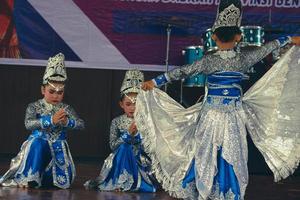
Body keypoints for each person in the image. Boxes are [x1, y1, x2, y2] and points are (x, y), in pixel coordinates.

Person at [137, 0, 300, 199]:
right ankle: (228, 191)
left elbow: (182, 72)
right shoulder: (243, 59)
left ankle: (204, 188)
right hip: (232, 116)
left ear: (213, 36)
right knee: (232, 153)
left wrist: (155, 81)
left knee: (206, 151)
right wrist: (289, 38)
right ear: (239, 37)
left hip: (210, 115)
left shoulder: (208, 60)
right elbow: (267, 48)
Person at [0, 53, 85, 189]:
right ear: (43, 90)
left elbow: (81, 124)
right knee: (38, 142)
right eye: (51, 91)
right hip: (37, 146)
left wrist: (66, 123)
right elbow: (28, 124)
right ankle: (30, 177)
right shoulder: (34, 106)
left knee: (59, 183)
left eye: (60, 92)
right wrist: (51, 120)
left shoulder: (66, 108)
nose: (56, 95)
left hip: (58, 147)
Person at [84, 69, 157, 192]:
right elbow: (113, 146)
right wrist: (127, 135)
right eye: (128, 104)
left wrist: (138, 138)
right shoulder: (116, 122)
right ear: (121, 104)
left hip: (140, 159)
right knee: (124, 148)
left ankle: (133, 182)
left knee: (128, 149)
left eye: (137, 104)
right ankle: (120, 181)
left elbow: (152, 148)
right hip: (120, 157)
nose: (133, 108)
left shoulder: (148, 121)